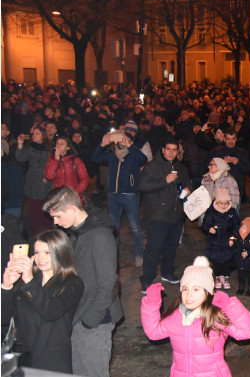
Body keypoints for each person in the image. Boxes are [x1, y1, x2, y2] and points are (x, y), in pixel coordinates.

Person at [42, 186, 123, 377]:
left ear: (71, 209)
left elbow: (109, 284)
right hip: (80, 314)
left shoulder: (99, 236)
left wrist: (90, 321)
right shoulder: (76, 231)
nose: (55, 222)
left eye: (57, 216)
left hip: (96, 320)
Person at [140, 256, 250, 377]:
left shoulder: (215, 317)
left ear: (207, 292)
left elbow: (247, 332)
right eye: (185, 289)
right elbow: (153, 333)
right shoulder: (176, 318)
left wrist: (228, 305)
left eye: (196, 289)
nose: (189, 295)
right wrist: (151, 304)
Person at [1, 229, 84, 373]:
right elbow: (4, 318)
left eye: (47, 252)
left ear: (61, 252)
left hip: (51, 361)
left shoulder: (72, 283)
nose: (40, 258)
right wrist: (6, 287)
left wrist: (29, 281)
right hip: (23, 358)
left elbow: (50, 312)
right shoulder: (27, 282)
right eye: (37, 252)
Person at [139, 139, 192, 292]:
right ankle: (147, 279)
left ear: (178, 152)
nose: (170, 152)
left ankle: (167, 272)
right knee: (153, 249)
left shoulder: (181, 168)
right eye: (168, 149)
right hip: (157, 216)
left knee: (171, 247)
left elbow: (189, 182)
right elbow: (142, 186)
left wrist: (188, 188)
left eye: (174, 150)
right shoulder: (152, 167)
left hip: (175, 216)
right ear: (163, 150)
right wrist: (165, 181)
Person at [91, 130, 148, 267]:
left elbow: (143, 159)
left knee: (135, 227)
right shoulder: (112, 154)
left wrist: (130, 146)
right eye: (120, 137)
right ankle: (114, 256)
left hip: (130, 195)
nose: (121, 140)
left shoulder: (133, 154)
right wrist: (102, 144)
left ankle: (139, 254)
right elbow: (95, 158)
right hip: (113, 195)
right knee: (114, 227)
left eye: (125, 138)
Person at [15, 126, 54, 236]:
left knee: (45, 207)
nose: (34, 135)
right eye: (33, 133)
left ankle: (48, 232)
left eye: (37, 133)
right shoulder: (30, 147)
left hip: (45, 181)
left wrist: (48, 176)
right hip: (32, 181)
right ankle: (37, 233)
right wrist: (20, 145)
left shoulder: (49, 148)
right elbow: (20, 158)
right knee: (34, 209)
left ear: (43, 135)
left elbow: (53, 163)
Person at [201, 189, 239, 290]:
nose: (223, 206)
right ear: (216, 202)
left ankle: (226, 277)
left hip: (228, 241)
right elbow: (204, 224)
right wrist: (209, 229)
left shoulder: (232, 212)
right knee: (216, 261)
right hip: (215, 242)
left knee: (227, 261)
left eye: (226, 203)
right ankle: (218, 277)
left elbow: (236, 226)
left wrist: (234, 238)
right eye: (221, 203)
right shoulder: (211, 212)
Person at [209, 129, 250, 202]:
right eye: (228, 139)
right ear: (224, 139)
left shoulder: (242, 152)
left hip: (236, 190)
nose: (231, 141)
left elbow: (248, 170)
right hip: (220, 189)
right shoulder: (216, 151)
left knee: (235, 212)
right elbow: (209, 168)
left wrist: (238, 163)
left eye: (233, 139)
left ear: (236, 139)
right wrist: (223, 162)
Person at [234, 217, 250, 296]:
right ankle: (241, 287)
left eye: (244, 228)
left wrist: (248, 253)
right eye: (241, 227)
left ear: (249, 230)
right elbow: (236, 246)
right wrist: (232, 244)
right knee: (240, 275)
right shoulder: (237, 236)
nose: (241, 229)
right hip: (240, 260)